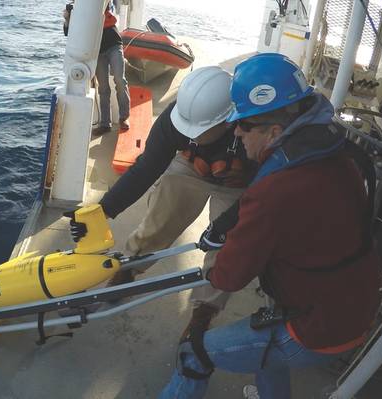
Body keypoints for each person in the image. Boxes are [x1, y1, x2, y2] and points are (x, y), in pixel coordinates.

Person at [158, 53, 382, 399]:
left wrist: (217, 265)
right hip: (358, 303)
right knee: (268, 355)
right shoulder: (338, 153)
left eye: (245, 124)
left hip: (317, 328)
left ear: (275, 131)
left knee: (193, 351)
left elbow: (229, 276)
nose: (236, 131)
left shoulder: (276, 190)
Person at [65, 66, 256, 337]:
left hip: (241, 185)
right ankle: (124, 276)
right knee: (157, 222)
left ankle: (203, 315)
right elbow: (146, 168)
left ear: (228, 122)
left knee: (227, 252)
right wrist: (101, 211)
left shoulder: (256, 130)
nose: (188, 134)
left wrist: (224, 224)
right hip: (193, 167)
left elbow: (267, 188)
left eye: (197, 131)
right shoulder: (178, 117)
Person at [63, 1, 130, 136]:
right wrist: (66, 19)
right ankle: (105, 124)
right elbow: (68, 32)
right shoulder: (74, 8)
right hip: (97, 52)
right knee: (103, 87)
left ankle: (124, 117)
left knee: (120, 80)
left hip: (114, 45)